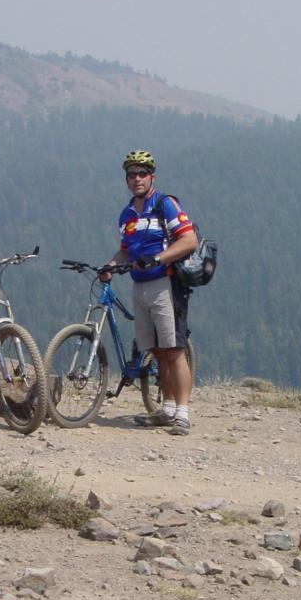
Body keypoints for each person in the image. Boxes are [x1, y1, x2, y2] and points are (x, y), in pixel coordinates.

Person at [101, 149, 198, 436]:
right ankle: (166, 409)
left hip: (165, 283)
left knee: (174, 350)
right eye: (131, 175)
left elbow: (189, 240)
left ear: (152, 177)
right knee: (155, 350)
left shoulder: (165, 204)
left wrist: (159, 258)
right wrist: (109, 266)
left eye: (142, 174)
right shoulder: (127, 213)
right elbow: (125, 250)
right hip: (139, 285)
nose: (136, 179)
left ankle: (182, 413)